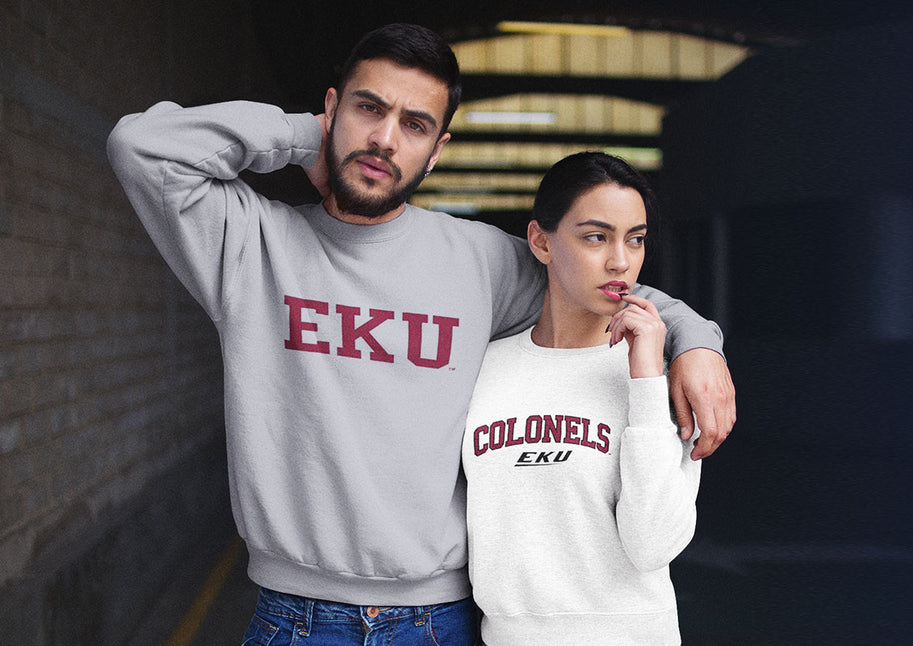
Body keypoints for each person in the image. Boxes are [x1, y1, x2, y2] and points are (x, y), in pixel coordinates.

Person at [106, 23, 734, 644]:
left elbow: (604, 284)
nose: (383, 139)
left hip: (440, 621)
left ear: (436, 151)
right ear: (331, 109)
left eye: (414, 125)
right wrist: (306, 140)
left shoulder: (481, 260)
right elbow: (142, 147)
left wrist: (698, 342)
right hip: (296, 619)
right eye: (367, 109)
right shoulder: (247, 243)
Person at [463, 152, 700, 645]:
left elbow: (651, 544)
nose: (620, 261)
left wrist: (643, 380)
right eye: (596, 236)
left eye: (635, 239)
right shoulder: (480, 368)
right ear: (540, 241)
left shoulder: (667, 378)